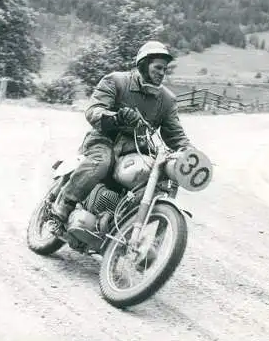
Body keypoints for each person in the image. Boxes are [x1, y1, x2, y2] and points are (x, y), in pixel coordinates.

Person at [51, 41, 191, 225]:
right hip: (104, 139)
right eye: (158, 67)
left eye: (165, 69)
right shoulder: (116, 81)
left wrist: (189, 152)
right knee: (101, 162)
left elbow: (175, 134)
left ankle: (121, 223)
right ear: (143, 63)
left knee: (158, 179)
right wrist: (116, 118)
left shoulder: (167, 100)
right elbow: (94, 110)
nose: (162, 73)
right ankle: (65, 202)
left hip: (136, 150)